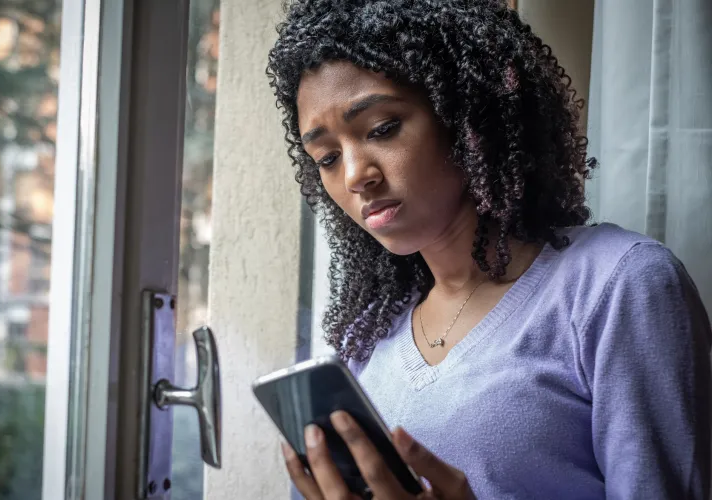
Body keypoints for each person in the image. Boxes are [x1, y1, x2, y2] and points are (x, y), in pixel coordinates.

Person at [266, 0, 712, 499]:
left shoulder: (618, 285)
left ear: (468, 116)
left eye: (382, 129)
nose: (354, 176)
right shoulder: (369, 339)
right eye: (326, 157)